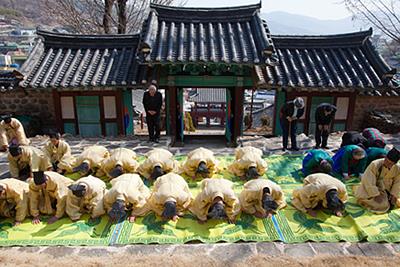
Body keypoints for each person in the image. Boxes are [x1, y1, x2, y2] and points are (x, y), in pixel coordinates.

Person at [355, 147, 400, 214]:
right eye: (387, 161)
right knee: (382, 205)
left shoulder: (397, 168)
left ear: (394, 163)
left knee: (395, 202)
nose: (388, 164)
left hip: (387, 189)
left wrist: (393, 194)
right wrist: (376, 194)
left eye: (391, 163)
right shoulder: (375, 164)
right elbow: (368, 181)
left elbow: (398, 182)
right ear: (385, 158)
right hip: (373, 188)